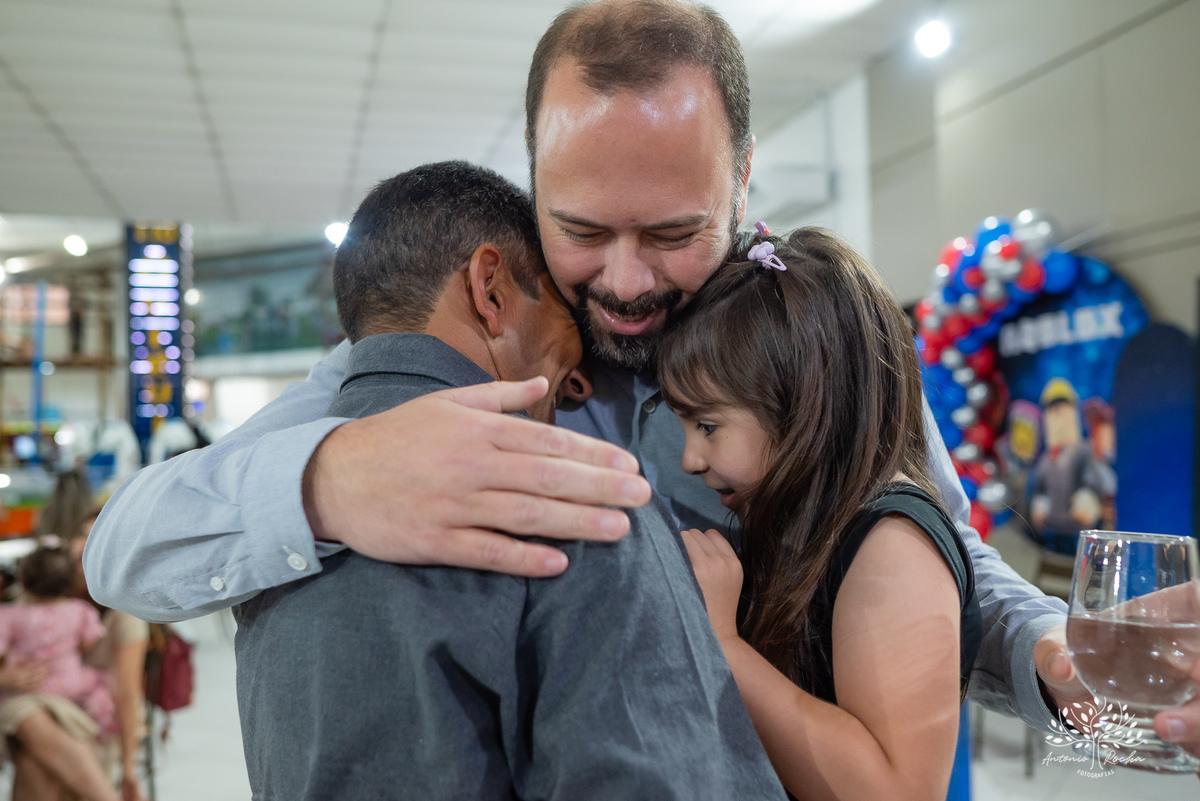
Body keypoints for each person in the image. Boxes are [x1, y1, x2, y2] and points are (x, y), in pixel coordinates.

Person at [82, 0, 1200, 756]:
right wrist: (327, 480)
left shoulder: (816, 336)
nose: (622, 281)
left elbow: (933, 549)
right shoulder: (470, 354)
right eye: (580, 228)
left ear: (743, 181)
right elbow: (124, 551)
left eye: (673, 230)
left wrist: (1059, 655)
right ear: (531, 184)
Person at [233, 161, 785, 800]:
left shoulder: (265, 523)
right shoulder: (575, 502)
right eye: (566, 319)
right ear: (490, 290)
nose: (579, 387)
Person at [658, 227, 980, 799]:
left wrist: (723, 644)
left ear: (806, 405)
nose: (689, 459)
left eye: (708, 426)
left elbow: (898, 790)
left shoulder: (892, 543)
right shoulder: (809, 522)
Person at [0, 543, 120, 801]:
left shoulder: (10, 615)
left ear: (23, 580)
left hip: (26, 692)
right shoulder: (81, 612)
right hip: (70, 690)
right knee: (36, 755)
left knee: (34, 759)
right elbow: (91, 641)